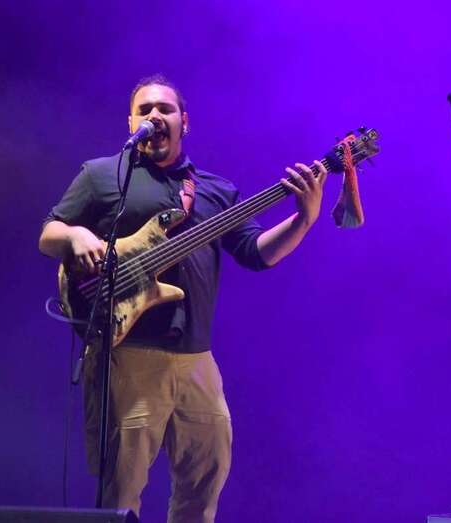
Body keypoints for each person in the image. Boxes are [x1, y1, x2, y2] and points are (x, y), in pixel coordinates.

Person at [38, 74, 327, 523]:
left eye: (165, 109)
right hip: (128, 354)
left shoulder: (215, 190)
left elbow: (256, 253)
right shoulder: (102, 175)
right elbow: (49, 234)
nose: (155, 116)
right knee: (121, 492)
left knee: (205, 481)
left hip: (197, 359)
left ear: (184, 122)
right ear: (131, 122)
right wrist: (75, 236)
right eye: (145, 110)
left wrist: (303, 220)